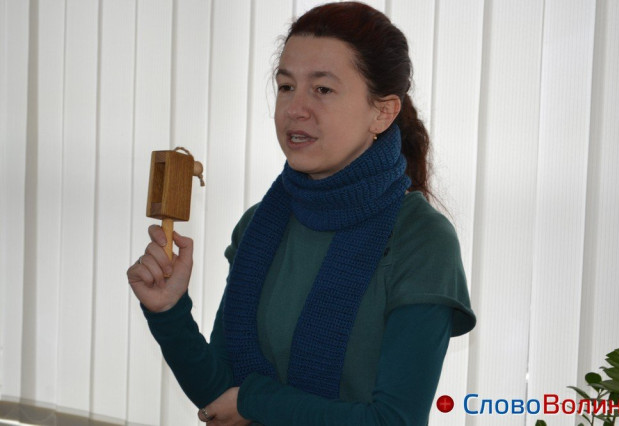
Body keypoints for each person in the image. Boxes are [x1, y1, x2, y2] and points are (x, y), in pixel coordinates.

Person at [127, 2, 475, 425]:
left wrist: (258, 402)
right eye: (286, 86)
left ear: (382, 112)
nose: (295, 108)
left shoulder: (421, 240)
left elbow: (394, 420)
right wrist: (169, 312)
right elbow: (221, 397)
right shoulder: (258, 226)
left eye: (322, 89)